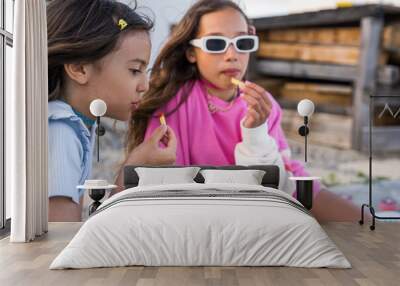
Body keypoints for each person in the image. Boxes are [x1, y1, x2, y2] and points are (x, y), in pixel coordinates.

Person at [126, 0, 361, 222]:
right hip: (205, 210)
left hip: (271, 196)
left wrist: (257, 131)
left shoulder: (263, 103)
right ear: (191, 53)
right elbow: (168, 187)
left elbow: (282, 174)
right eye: (216, 44)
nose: (232, 55)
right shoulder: (174, 104)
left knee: (363, 222)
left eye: (242, 43)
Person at [47, 0, 176, 222]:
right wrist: (132, 169)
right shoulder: (62, 131)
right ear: (79, 68)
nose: (144, 85)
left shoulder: (74, 123)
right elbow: (60, 239)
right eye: (135, 70)